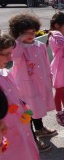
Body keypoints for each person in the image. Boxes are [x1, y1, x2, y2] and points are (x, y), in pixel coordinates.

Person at [9, 13, 57, 143]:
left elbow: (46, 63)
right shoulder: (17, 47)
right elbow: (14, 58)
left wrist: (50, 76)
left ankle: (40, 128)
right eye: (26, 33)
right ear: (18, 33)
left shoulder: (39, 45)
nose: (30, 35)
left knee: (38, 106)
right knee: (28, 111)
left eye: (33, 32)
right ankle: (32, 139)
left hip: (40, 83)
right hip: (25, 86)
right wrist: (18, 41)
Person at [0, 34, 40, 160]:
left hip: (20, 124)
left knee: (25, 153)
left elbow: (15, 97)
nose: (10, 57)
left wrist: (24, 105)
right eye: (6, 53)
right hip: (6, 132)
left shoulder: (6, 73)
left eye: (10, 53)